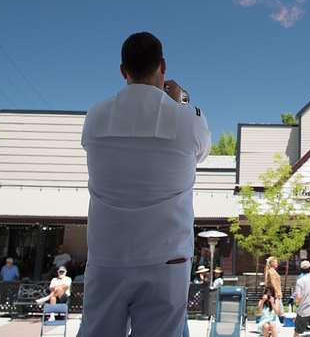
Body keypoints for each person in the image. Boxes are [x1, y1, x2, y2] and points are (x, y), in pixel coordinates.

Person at [78, 31, 211, 337]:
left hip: (107, 255)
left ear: (123, 71)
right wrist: (181, 103)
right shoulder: (188, 118)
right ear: (162, 65)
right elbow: (202, 152)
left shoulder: (96, 116)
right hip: (167, 257)